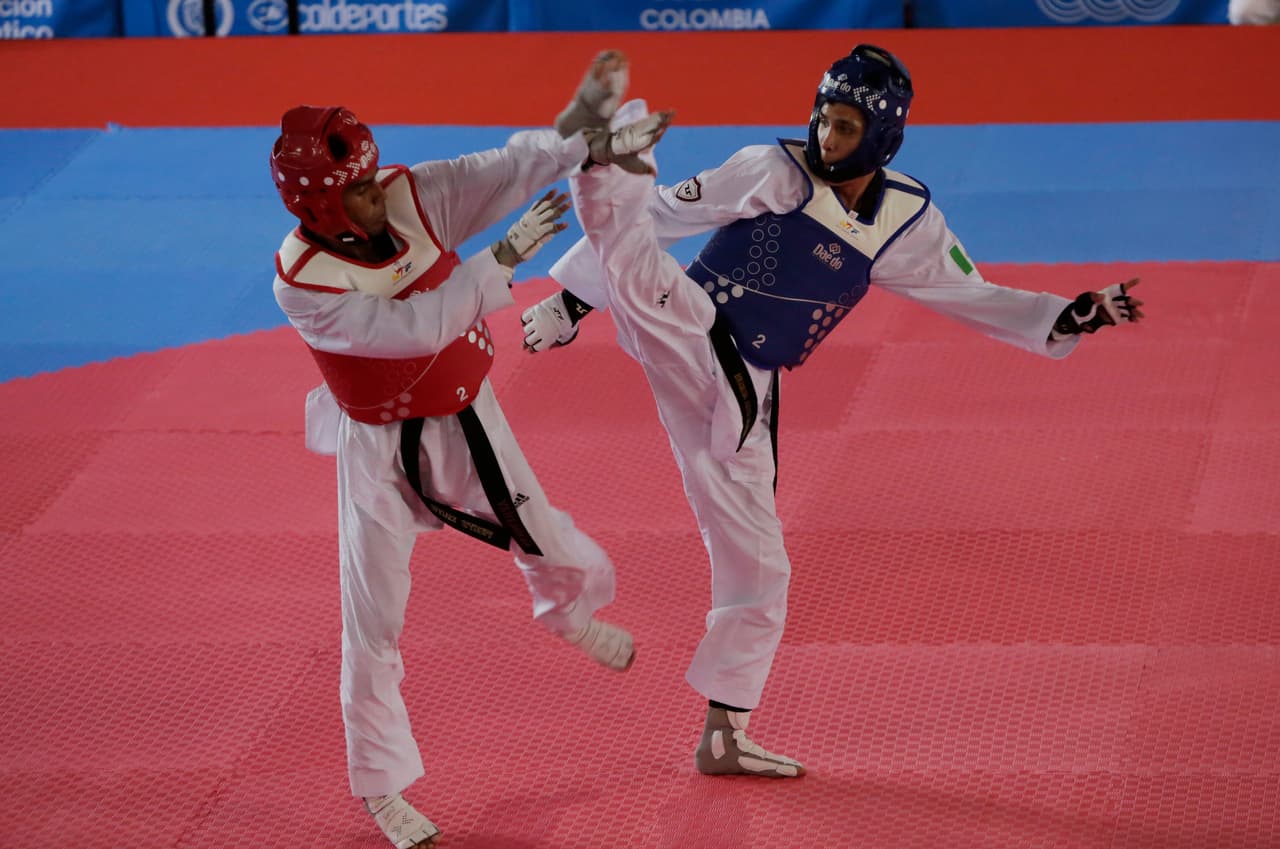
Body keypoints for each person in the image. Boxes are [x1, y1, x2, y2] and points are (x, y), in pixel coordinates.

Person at [527, 46, 1144, 779]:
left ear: (883, 136)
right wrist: (570, 304)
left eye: (846, 126)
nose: (826, 136)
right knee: (636, 248)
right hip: (692, 322)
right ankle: (603, 155)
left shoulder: (906, 220)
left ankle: (725, 732)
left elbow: (968, 293)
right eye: (823, 117)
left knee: (762, 564)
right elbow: (656, 219)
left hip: (746, 391)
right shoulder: (771, 168)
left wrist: (1064, 318)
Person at [268, 88, 655, 848]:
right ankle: (382, 789)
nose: (377, 196)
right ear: (320, 207)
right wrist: (502, 259)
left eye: (373, 178)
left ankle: (568, 615)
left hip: (467, 414)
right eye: (357, 191)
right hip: (377, 448)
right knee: (372, 615)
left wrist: (585, 139)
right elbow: (410, 329)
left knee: (549, 540)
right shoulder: (301, 279)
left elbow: (505, 169)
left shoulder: (412, 195)